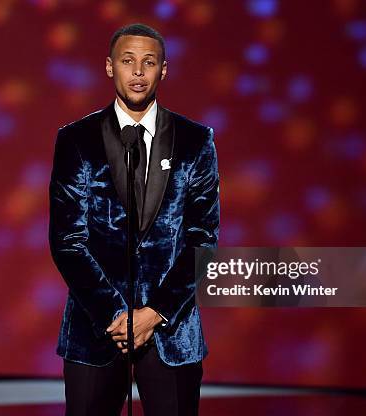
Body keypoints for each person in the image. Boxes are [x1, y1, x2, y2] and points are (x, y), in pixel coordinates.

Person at [49, 22, 219, 416]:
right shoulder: (77, 139)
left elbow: (202, 238)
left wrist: (153, 313)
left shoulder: (195, 141)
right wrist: (116, 315)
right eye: (128, 61)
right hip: (96, 331)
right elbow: (67, 241)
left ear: (164, 70)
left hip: (171, 333)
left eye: (149, 62)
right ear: (110, 67)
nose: (138, 72)